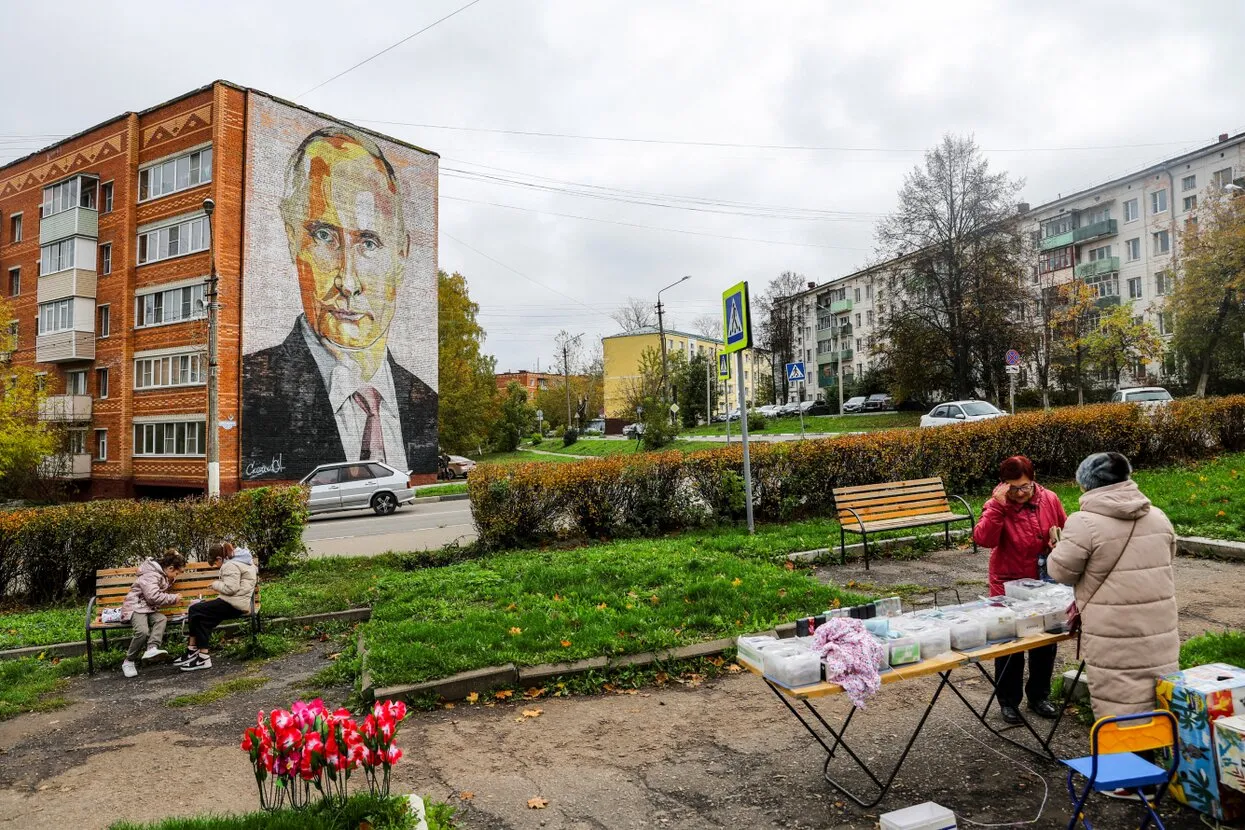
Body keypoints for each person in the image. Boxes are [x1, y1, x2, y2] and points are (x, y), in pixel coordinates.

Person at [242, 127, 437, 482]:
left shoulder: (425, 401)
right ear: (292, 240)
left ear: (402, 255)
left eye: (369, 242)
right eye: (324, 236)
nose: (347, 282)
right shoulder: (251, 392)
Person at [1048, 452, 1179, 718]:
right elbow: (1168, 556)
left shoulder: (1082, 522)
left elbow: (1061, 572)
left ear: (1087, 483)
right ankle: (1155, 753)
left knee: (1120, 708)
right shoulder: (1158, 516)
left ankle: (1125, 756)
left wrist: (1058, 548)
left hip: (1113, 631)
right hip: (1158, 627)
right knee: (1158, 700)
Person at [972, 455, 1067, 725]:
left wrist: (1058, 542)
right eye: (1013, 488)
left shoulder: (1049, 498)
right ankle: (1008, 701)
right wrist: (999, 509)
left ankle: (1039, 696)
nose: (1021, 493)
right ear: (1004, 486)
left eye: (1025, 486)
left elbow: (1065, 527)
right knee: (1009, 642)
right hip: (1008, 582)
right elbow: (984, 539)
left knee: (1045, 641)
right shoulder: (996, 505)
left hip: (1044, 581)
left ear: (1033, 481)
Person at [175, 542, 259, 673]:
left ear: (219, 558)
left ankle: (192, 651)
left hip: (232, 604)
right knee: (203, 620)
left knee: (194, 609)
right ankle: (202, 656)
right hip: (236, 603)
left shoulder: (230, 565)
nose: (216, 566)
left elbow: (231, 589)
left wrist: (215, 584)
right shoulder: (242, 560)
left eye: (215, 563)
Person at [120, 549, 185, 679]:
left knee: (161, 619)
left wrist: (175, 556)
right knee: (142, 631)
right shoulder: (151, 575)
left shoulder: (161, 573)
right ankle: (129, 661)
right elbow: (152, 597)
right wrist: (173, 598)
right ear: (170, 568)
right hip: (135, 607)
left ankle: (152, 648)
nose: (176, 576)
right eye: (176, 573)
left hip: (147, 609)